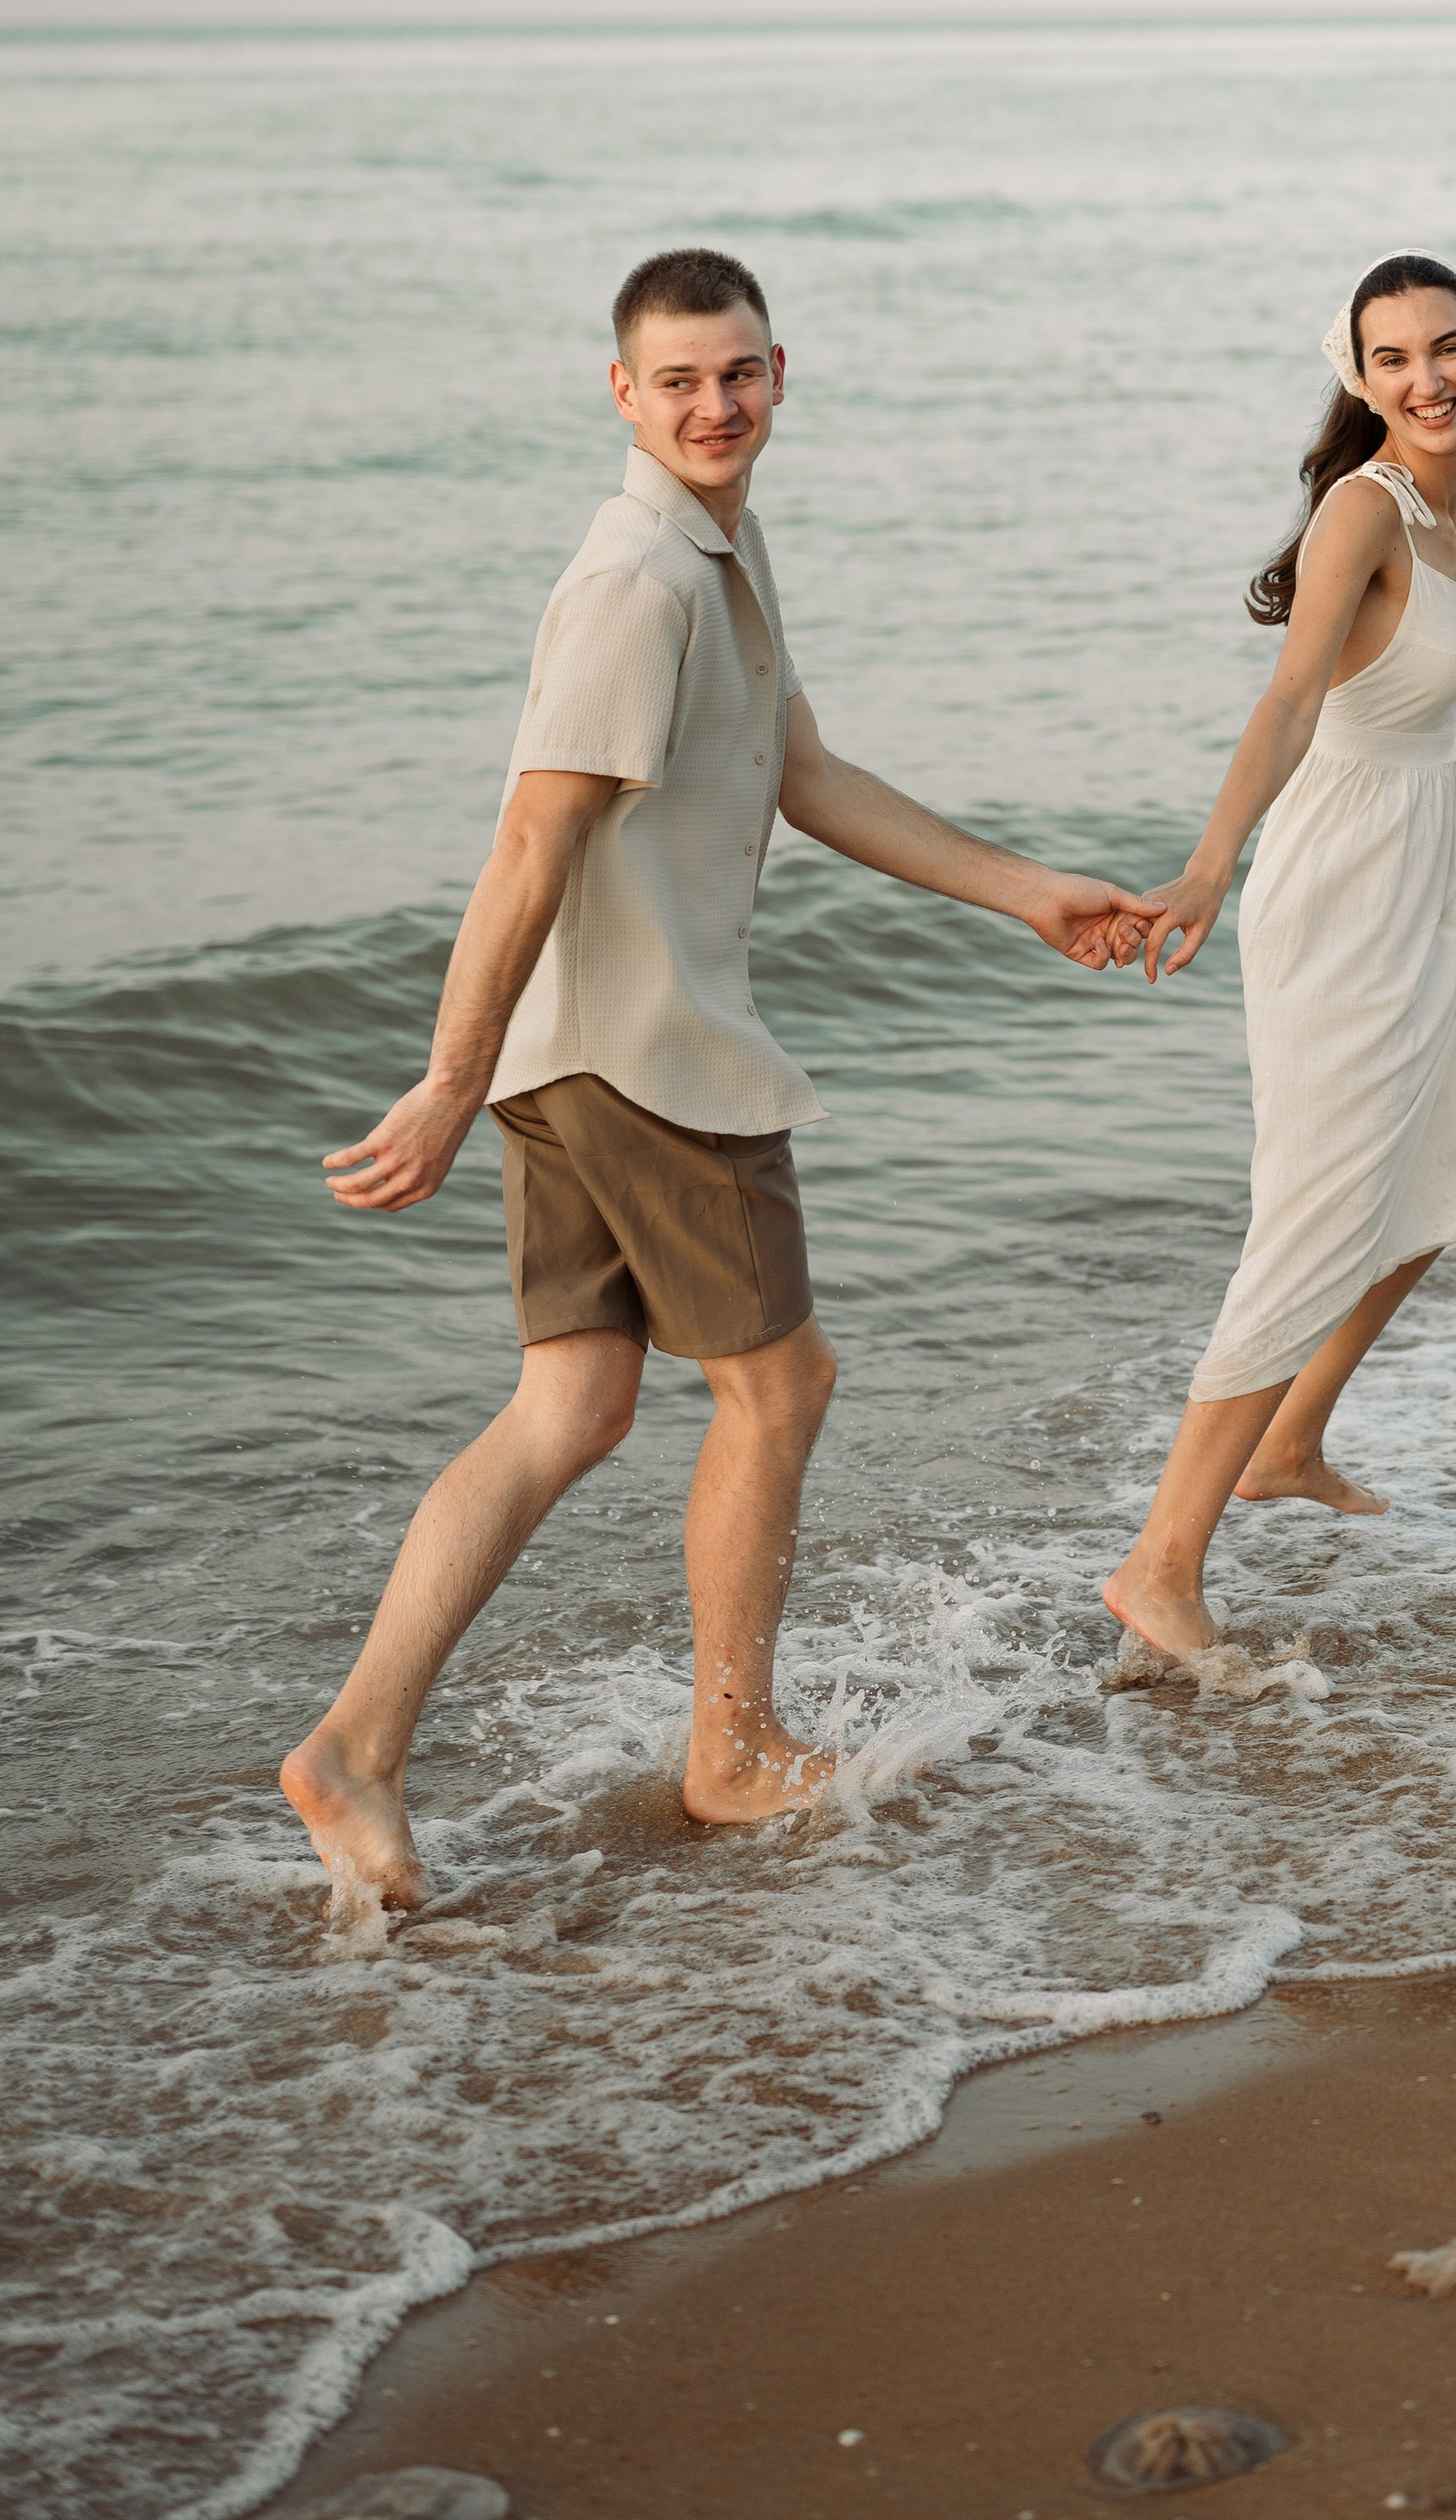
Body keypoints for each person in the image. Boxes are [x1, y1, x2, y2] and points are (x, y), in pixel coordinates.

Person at [281, 247, 1140, 1915]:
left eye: (737, 373)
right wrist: (447, 1083)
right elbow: (533, 836)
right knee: (781, 1386)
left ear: (779, 373)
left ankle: (355, 1751)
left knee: (575, 1405)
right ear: (622, 392)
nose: (713, 404)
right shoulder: (641, 582)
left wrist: (1026, 887)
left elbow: (804, 771)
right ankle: (732, 1751)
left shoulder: (717, 549)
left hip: (584, 1049)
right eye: (677, 380)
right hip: (645, 1057)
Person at [1101, 252, 1456, 1668]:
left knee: (1442, 1159)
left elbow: (1404, 674)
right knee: (1319, 1206)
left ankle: (1286, 1443)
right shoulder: (1362, 510)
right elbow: (1297, 695)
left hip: (1431, 854)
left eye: (1448, 347)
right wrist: (1204, 865)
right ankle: (1159, 1568)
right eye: (1393, 359)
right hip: (1343, 878)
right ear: (1357, 379)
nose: (1427, 378)